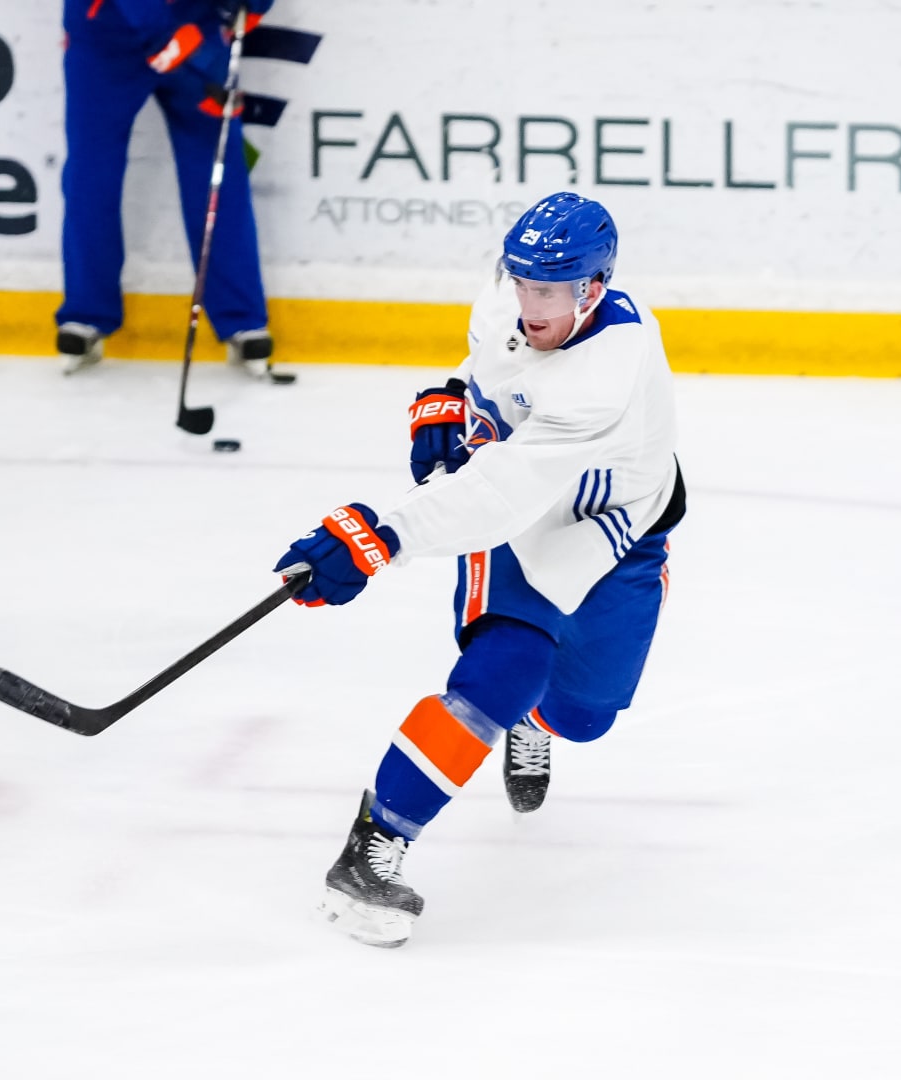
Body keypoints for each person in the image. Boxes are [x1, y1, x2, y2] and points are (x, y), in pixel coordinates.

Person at [273, 192, 687, 948]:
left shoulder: (607, 372)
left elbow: (501, 491)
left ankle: (535, 718)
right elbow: (492, 369)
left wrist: (380, 537)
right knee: (506, 670)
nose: (529, 304)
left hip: (609, 530)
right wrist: (450, 395)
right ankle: (375, 847)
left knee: (584, 716)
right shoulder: (510, 297)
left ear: (593, 288)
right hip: (517, 524)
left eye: (549, 292)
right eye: (522, 282)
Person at [55, 0, 276, 377]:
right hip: (105, 34)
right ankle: (86, 312)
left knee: (218, 168)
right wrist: (169, 39)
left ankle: (241, 318)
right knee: (92, 173)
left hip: (195, 22)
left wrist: (253, 3)